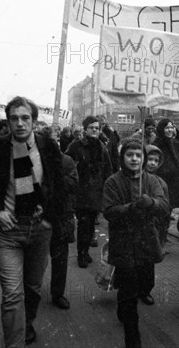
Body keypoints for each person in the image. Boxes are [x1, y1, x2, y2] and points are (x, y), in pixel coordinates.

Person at [0, 96, 64, 346]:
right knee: (13, 294)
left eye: (25, 118)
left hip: (39, 231)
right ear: (8, 121)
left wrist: (49, 220)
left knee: (33, 288)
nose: (20, 123)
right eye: (14, 118)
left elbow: (60, 188)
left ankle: (27, 323)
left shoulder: (48, 147)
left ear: (34, 121)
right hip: (9, 232)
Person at [102, 138, 170, 348]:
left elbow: (164, 205)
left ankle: (125, 303)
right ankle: (133, 339)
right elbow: (109, 211)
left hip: (147, 241)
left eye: (138, 155)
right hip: (123, 242)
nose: (134, 159)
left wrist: (151, 202)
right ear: (123, 157)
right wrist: (131, 208)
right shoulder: (113, 181)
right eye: (129, 155)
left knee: (144, 283)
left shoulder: (152, 181)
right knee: (130, 292)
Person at [65, 115, 113, 268]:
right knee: (84, 226)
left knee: (91, 224)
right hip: (81, 192)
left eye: (97, 128)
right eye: (91, 127)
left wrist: (108, 188)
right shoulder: (76, 146)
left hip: (97, 192)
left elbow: (108, 169)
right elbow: (66, 165)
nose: (95, 130)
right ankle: (81, 254)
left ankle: (85, 252)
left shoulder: (102, 146)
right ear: (85, 129)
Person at [50, 150, 79, 310]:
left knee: (60, 259)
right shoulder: (28, 158)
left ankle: (58, 293)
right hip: (38, 217)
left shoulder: (65, 160)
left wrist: (53, 174)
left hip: (61, 216)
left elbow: (74, 184)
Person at [144, 144, 171, 257]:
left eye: (156, 160)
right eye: (150, 159)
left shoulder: (160, 182)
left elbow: (165, 207)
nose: (153, 163)